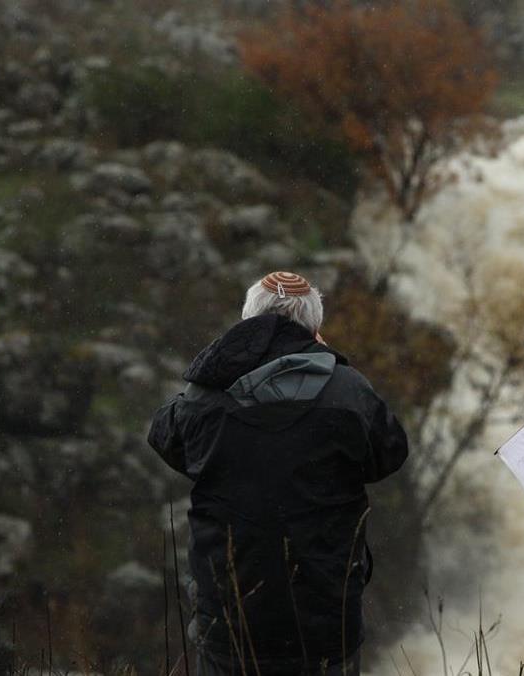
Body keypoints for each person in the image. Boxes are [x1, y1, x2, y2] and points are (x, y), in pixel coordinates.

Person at [148, 271, 408, 676]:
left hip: (229, 619)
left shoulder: (208, 393)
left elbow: (165, 435)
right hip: (324, 622)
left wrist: (221, 360)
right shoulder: (347, 391)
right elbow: (390, 451)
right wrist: (331, 365)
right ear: (314, 326)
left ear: (248, 321)